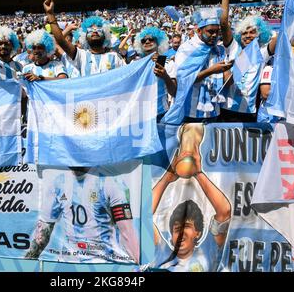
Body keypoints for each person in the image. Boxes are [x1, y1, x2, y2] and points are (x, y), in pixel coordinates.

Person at [150, 123, 231, 272]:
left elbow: (225, 211)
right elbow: (144, 215)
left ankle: (190, 139)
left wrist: (198, 173)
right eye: (176, 229)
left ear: (198, 233)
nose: (180, 234)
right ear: (171, 235)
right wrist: (167, 177)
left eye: (186, 227)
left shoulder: (209, 247)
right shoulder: (162, 249)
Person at [25, 166, 140, 264]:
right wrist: (28, 263)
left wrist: (138, 263)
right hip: (68, 262)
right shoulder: (59, 182)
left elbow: (127, 233)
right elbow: (42, 232)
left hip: (103, 263)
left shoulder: (111, 181)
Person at [219, 0, 277, 122]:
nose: (248, 35)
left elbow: (278, 40)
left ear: (260, 34)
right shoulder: (233, 49)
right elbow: (224, 23)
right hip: (225, 109)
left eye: (252, 32)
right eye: (244, 33)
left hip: (248, 113)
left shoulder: (261, 53)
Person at [43, 0, 126, 77]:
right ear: (85, 37)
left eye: (99, 28)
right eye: (90, 29)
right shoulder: (80, 55)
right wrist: (50, 14)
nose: (95, 30)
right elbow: (60, 40)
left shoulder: (115, 57)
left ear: (105, 36)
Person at [133, 26, 177, 119]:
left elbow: (174, 92)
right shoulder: (135, 64)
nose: (147, 42)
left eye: (151, 39)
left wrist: (165, 76)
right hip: (140, 114)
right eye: (143, 41)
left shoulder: (168, 62)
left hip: (160, 113)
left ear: (159, 43)